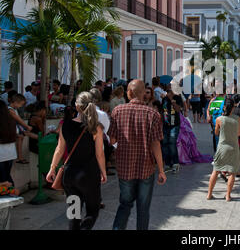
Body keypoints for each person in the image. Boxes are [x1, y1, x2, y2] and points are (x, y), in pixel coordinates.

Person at [108, 80, 167, 230]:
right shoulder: (153, 114)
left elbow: (112, 140)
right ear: (143, 94)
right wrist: (161, 170)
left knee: (125, 205)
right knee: (143, 209)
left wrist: (119, 149)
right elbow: (156, 144)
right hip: (146, 167)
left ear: (128, 93)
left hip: (125, 167)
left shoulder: (117, 111)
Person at [46, 92, 107, 230]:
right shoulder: (95, 127)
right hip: (88, 175)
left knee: (73, 213)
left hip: (70, 175)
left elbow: (59, 149)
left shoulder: (65, 125)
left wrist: (52, 168)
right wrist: (103, 171)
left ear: (76, 106)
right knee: (92, 210)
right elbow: (100, 154)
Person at [207, 99, 240, 202]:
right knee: (232, 172)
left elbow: (216, 133)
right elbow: (238, 132)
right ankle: (227, 195)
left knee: (216, 170)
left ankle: (209, 194)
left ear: (224, 107)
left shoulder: (219, 119)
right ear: (233, 107)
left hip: (222, 147)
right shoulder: (237, 118)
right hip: (233, 147)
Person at [162, 90, 183, 173]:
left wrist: (172, 100)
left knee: (172, 143)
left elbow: (178, 110)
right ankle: (167, 164)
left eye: (170, 90)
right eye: (168, 90)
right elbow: (163, 111)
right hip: (165, 124)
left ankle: (175, 164)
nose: (169, 92)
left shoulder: (177, 98)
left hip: (174, 125)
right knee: (165, 144)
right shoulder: (164, 99)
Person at [8, 94, 33, 164]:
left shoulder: (13, 109)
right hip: (11, 129)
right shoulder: (10, 110)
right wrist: (27, 126)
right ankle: (19, 157)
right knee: (20, 137)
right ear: (16, 102)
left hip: (14, 128)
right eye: (20, 104)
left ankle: (20, 157)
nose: (20, 106)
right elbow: (18, 120)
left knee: (21, 137)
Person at [0, 101, 18, 186]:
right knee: (6, 177)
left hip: (1, 154)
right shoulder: (11, 119)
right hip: (10, 153)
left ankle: (13, 196)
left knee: (3, 181)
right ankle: (13, 195)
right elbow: (17, 132)